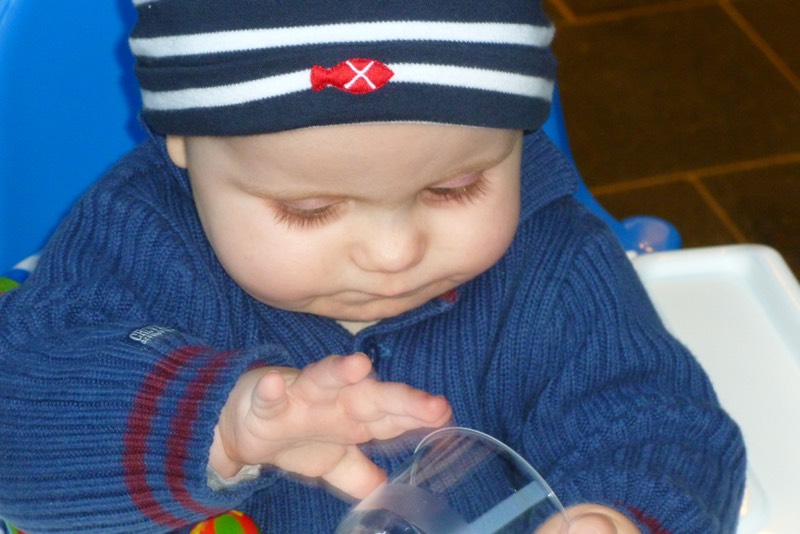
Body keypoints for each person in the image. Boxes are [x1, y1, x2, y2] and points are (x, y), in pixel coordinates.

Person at [0, 1, 746, 532]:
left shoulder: (554, 255)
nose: (394, 254)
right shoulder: (137, 237)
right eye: (310, 209)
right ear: (185, 146)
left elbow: (661, 421)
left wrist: (620, 514)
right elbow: (21, 424)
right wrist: (222, 426)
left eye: (456, 188)